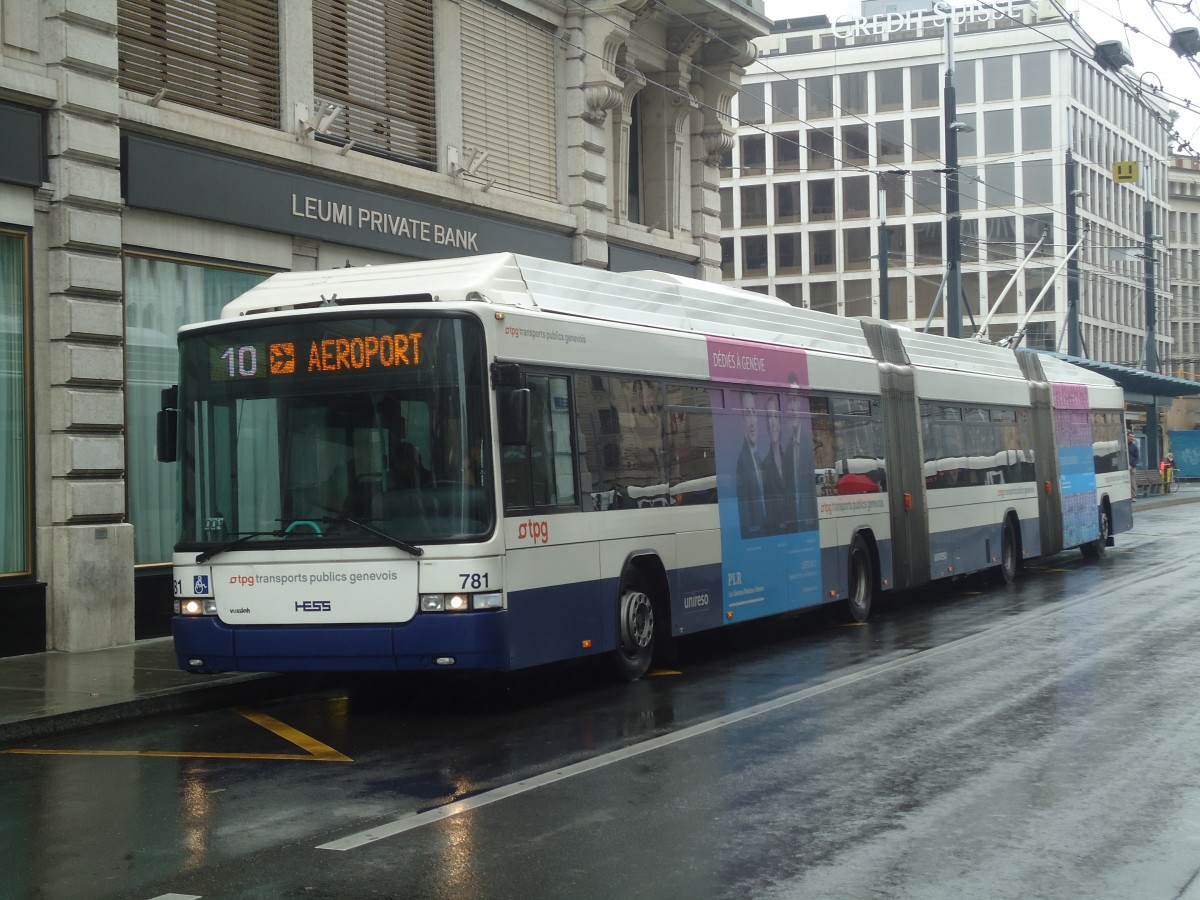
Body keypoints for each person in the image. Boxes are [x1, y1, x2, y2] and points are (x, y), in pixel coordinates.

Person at [735, 390, 767, 539]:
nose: (752, 422)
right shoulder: (742, 461)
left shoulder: (759, 457)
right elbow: (745, 515)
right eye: (748, 413)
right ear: (742, 420)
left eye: (754, 412)